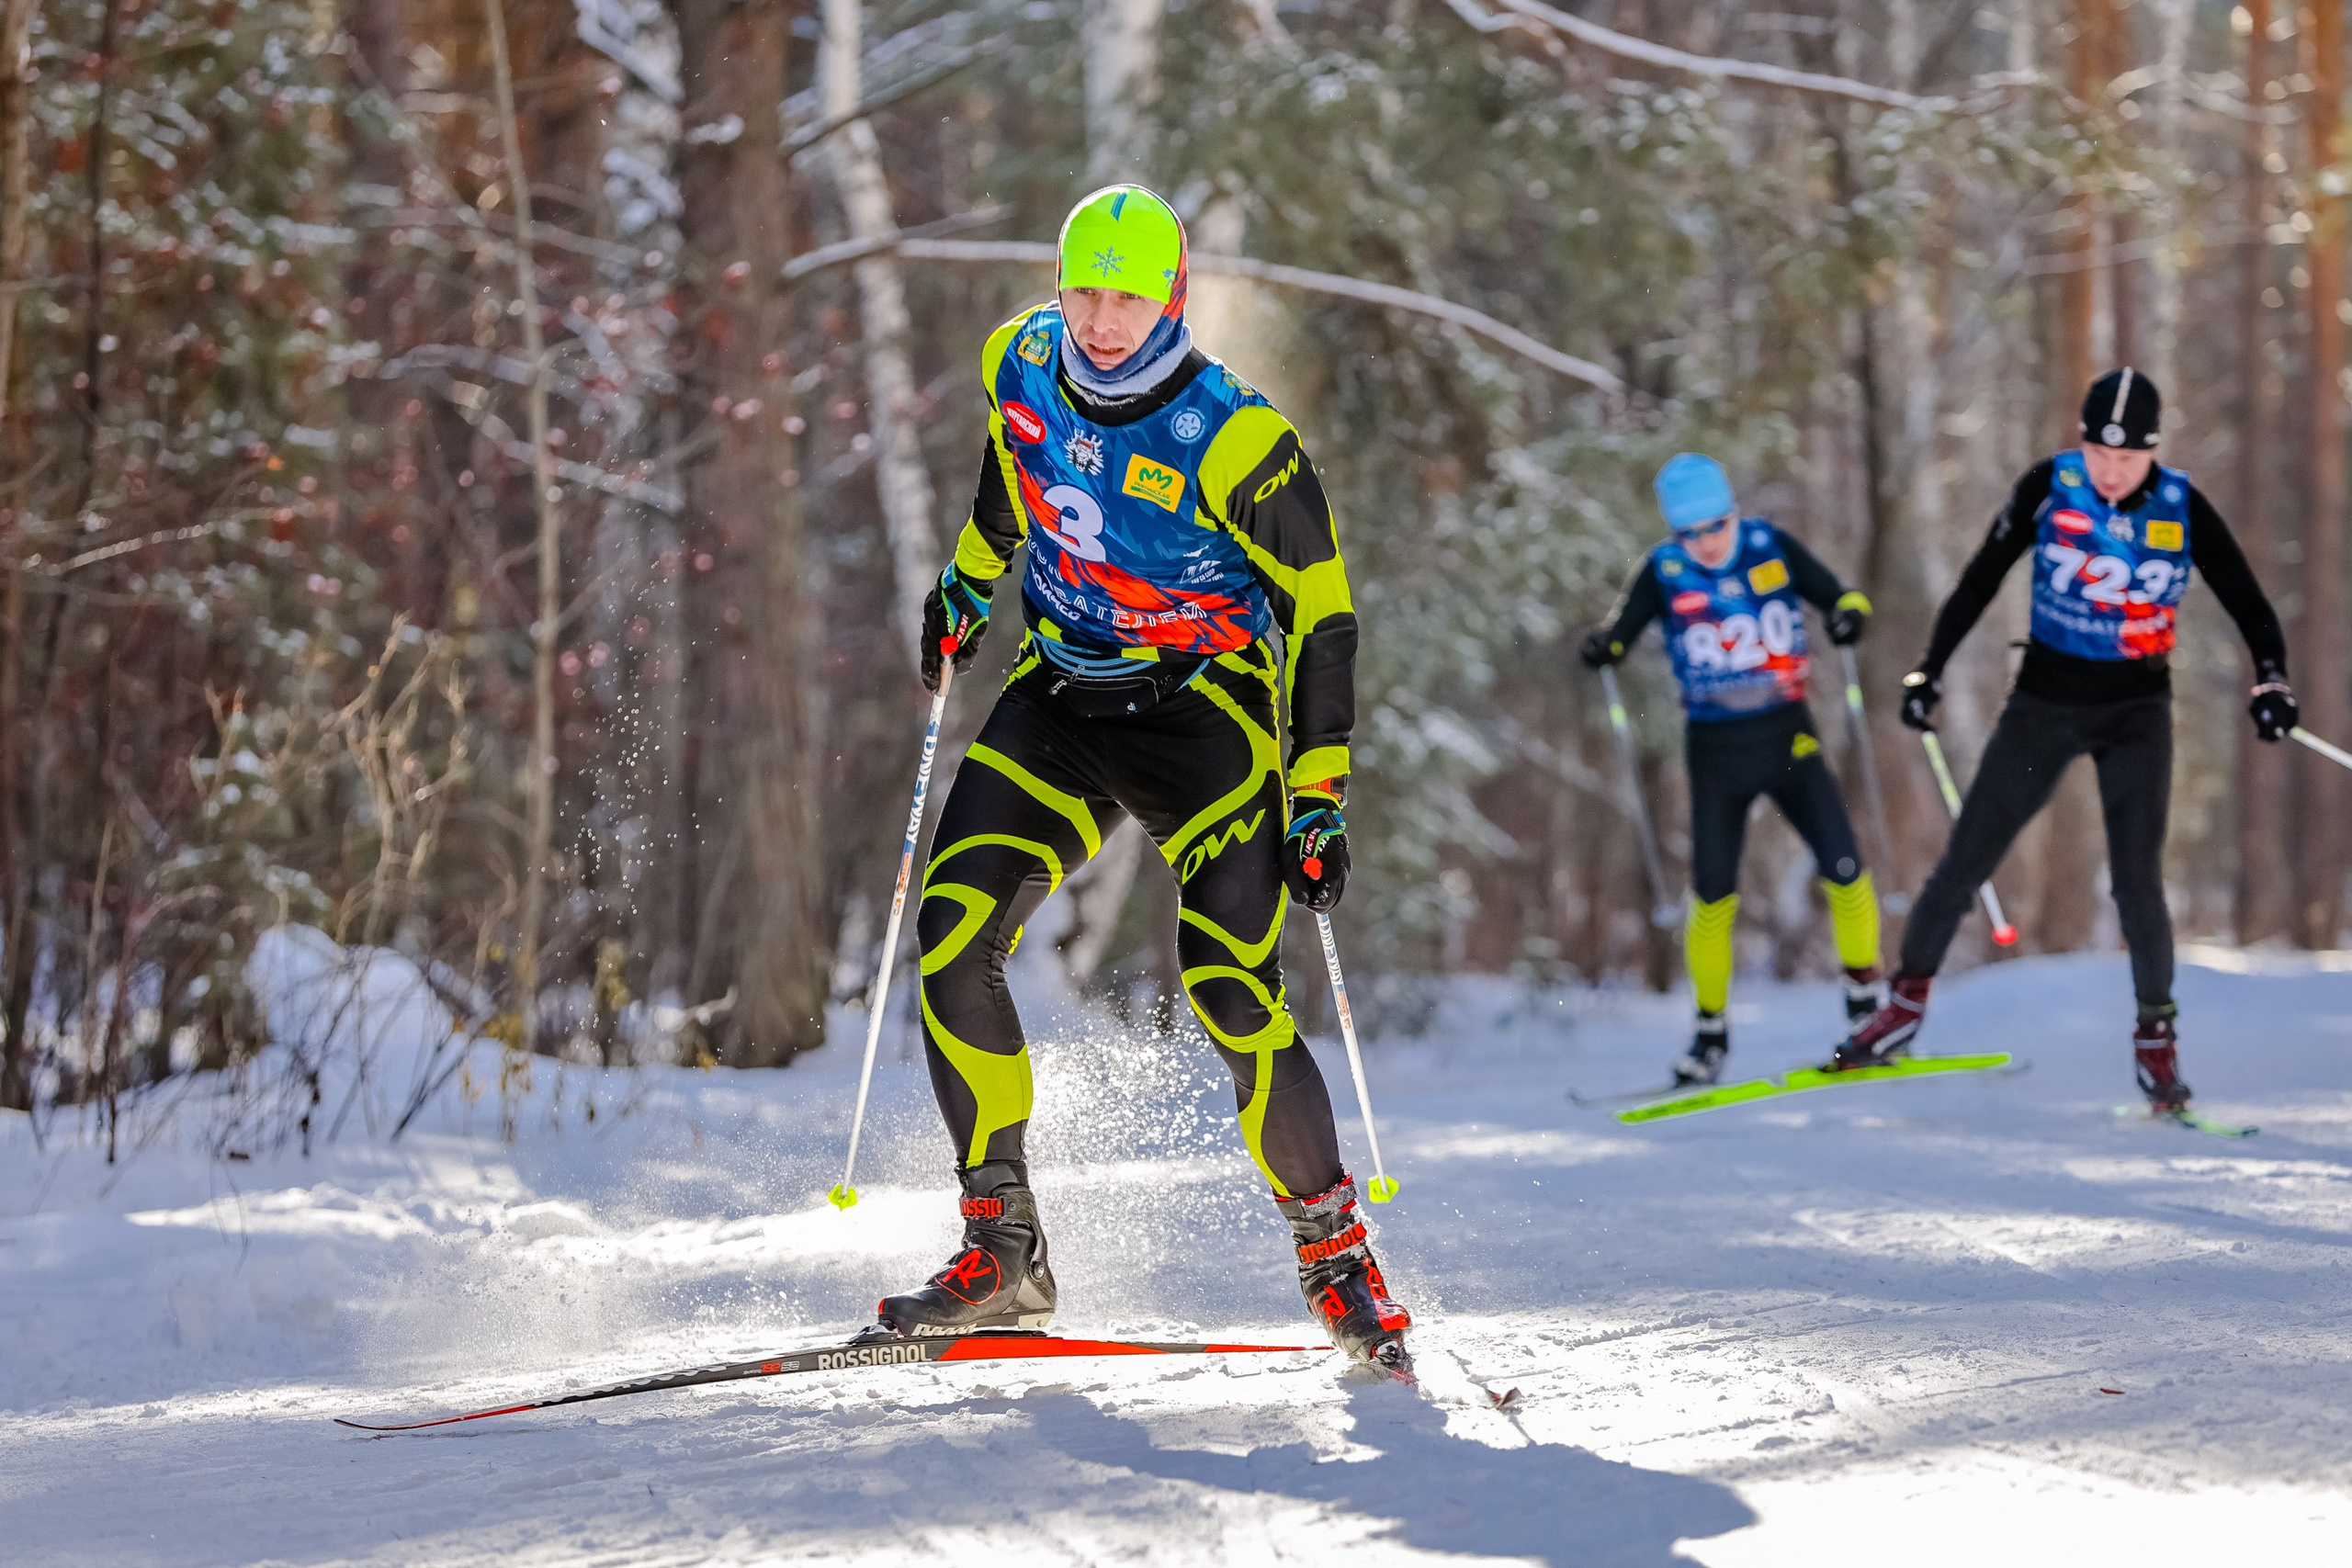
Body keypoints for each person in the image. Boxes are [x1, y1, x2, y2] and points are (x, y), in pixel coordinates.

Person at [856, 185, 1409, 1373]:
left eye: (1128, 295)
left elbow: (1323, 617)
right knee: (950, 937)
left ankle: (1335, 1253)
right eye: (1083, 291)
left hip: (1202, 716)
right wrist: (966, 579)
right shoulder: (1021, 357)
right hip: (1059, 692)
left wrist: (1318, 792)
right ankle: (1002, 1250)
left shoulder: (1238, 437)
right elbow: (1016, 472)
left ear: (1174, 294)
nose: (1101, 321)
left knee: (1228, 984)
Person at [1838, 368, 2295, 1112]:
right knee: (1966, 860)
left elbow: (2249, 604)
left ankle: (2157, 1041)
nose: (2109, 471)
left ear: (2152, 452)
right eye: (2097, 454)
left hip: (2136, 711)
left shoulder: (2182, 504)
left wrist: (2271, 680)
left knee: (2137, 881)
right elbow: (1980, 579)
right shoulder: (2047, 486)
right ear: (2080, 442)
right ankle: (1903, 1005)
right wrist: (1929, 670)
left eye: (2127, 459)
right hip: (2043, 704)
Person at [1580, 454, 1883, 1085]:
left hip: (1788, 735)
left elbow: (1841, 593)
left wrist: (1848, 613)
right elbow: (1621, 630)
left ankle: (1866, 1013)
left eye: (1716, 526)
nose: (1707, 543)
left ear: (1733, 513)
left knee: (1845, 868)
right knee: (1713, 895)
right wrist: (1604, 642)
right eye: (1691, 533)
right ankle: (1710, 1035)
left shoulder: (1772, 545)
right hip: (1715, 749)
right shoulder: (1664, 570)